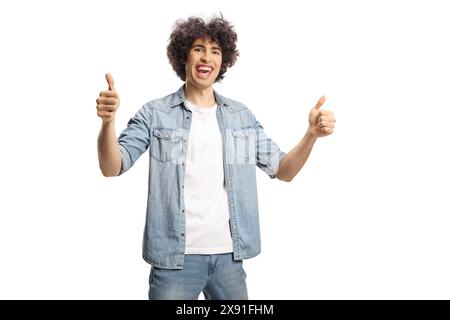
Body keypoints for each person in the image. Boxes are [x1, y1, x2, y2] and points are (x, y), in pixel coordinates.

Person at [96, 15, 336, 300]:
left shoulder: (241, 116)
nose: (206, 57)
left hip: (229, 260)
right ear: (183, 55)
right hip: (174, 261)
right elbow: (112, 167)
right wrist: (108, 122)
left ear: (223, 61)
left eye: (215, 51)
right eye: (198, 48)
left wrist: (311, 135)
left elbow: (284, 171)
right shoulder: (155, 113)